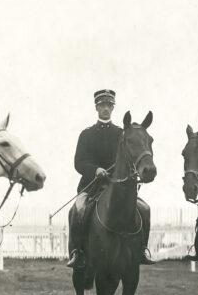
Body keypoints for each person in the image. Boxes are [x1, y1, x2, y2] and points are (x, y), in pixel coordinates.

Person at [66, 89, 155, 268]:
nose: (105, 108)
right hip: (91, 186)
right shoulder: (87, 134)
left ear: (113, 108)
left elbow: (130, 158)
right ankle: (78, 253)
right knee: (78, 210)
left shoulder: (122, 134)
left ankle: (142, 250)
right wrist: (95, 169)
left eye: (109, 105)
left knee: (145, 209)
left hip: (118, 187)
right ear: (96, 107)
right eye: (102, 105)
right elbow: (79, 162)